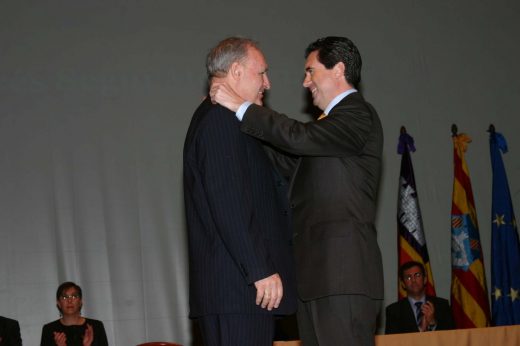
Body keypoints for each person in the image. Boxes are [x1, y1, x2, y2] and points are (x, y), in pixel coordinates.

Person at [211, 36, 384, 346]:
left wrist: (242, 106)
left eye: (311, 71)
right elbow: (288, 159)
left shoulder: (359, 115)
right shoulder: (327, 132)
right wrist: (237, 121)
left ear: (338, 69)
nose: (305, 83)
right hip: (316, 281)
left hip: (342, 278)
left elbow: (298, 137)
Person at [183, 37, 297, 346]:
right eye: (261, 73)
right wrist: (260, 269)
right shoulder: (219, 121)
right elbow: (229, 203)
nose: (268, 83)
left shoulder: (226, 118)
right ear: (236, 71)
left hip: (237, 293)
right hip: (239, 292)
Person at [385, 261, 455, 334]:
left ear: (425, 279)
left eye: (417, 275)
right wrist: (421, 329)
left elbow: (452, 337)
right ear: (403, 284)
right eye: (408, 277)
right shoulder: (393, 311)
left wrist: (432, 323)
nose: (413, 280)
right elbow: (391, 341)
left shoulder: (442, 305)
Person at [40, 282, 108, 346]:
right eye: (64, 297)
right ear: (59, 303)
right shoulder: (49, 330)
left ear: (80, 302)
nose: (69, 300)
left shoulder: (96, 327)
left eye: (74, 296)